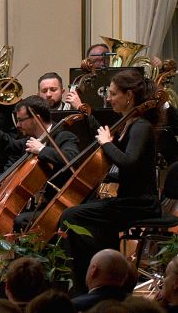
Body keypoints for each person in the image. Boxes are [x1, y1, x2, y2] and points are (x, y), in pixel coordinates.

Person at [61, 68, 163, 292]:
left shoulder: (141, 126)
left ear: (129, 96)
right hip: (126, 201)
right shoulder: (128, 123)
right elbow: (110, 147)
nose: (108, 98)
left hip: (140, 204)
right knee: (86, 210)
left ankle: (87, 285)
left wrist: (107, 143)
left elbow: (128, 162)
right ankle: (104, 281)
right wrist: (92, 122)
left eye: (114, 93)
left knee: (71, 216)